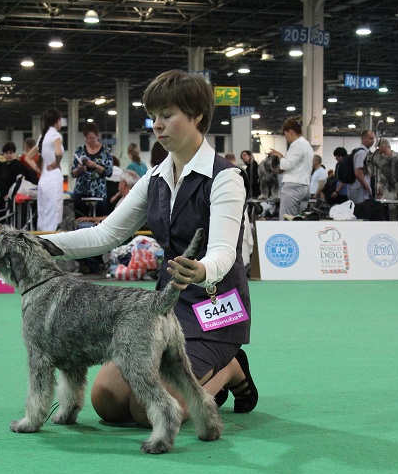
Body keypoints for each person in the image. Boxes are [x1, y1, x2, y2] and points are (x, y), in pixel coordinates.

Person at [42, 69, 257, 424]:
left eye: (167, 115)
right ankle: (205, 376)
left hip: (214, 311)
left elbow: (224, 251)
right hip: (163, 310)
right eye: (154, 116)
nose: (157, 125)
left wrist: (201, 270)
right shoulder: (154, 177)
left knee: (147, 412)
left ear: (197, 116)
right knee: (107, 400)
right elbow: (105, 235)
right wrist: (42, 244)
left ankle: (231, 367)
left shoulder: (226, 178)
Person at [268, 117, 313, 219]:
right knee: (298, 221)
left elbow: (286, 165)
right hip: (305, 187)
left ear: (290, 131)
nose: (286, 138)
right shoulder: (306, 144)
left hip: (293, 187)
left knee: (286, 220)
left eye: (285, 135)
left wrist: (279, 156)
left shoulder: (297, 145)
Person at [71, 122, 113, 217]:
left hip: (99, 192)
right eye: (87, 138)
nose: (89, 140)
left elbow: (109, 172)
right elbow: (72, 173)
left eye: (92, 138)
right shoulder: (80, 150)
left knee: (99, 221)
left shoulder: (106, 151)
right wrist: (79, 169)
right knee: (80, 220)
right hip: (81, 191)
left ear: (97, 136)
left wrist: (95, 166)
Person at [33, 108, 65, 231]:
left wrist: (38, 169)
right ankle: (52, 240)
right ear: (58, 121)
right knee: (54, 215)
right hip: (54, 179)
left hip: (43, 179)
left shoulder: (42, 137)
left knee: (43, 214)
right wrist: (57, 163)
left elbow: (28, 157)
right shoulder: (55, 135)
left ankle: (40, 238)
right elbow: (58, 153)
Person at [0, 142, 27, 212]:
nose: (9, 155)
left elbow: (20, 180)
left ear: (14, 154)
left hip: (11, 196)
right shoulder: (3, 165)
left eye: (11, 153)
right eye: (6, 153)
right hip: (2, 195)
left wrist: (10, 194)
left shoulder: (17, 165)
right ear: (3, 154)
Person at [347, 130, 375, 204]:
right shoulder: (362, 153)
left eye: (373, 139)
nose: (373, 141)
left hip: (358, 188)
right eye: (370, 138)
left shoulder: (362, 151)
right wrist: (366, 186)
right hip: (359, 189)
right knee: (361, 209)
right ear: (363, 138)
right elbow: (358, 172)